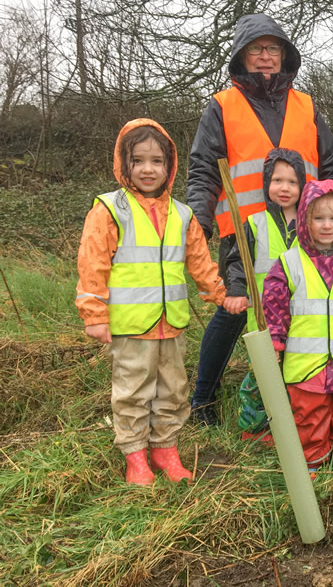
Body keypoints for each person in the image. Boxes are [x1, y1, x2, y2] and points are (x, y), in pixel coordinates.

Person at [187, 13, 333, 425]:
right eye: (255, 49)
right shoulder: (223, 106)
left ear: (284, 55)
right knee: (235, 310)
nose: (264, 57)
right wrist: (197, 223)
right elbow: (203, 167)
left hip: (304, 231)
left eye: (272, 48)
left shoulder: (306, 106)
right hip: (245, 233)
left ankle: (292, 397)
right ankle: (203, 400)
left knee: (299, 310)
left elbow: (332, 167)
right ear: (242, 56)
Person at [75, 119, 230, 484]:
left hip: (171, 323)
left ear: (170, 166)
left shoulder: (182, 214)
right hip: (130, 326)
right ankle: (135, 456)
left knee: (174, 389)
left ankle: (165, 450)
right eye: (139, 160)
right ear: (123, 164)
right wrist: (94, 314)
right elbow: (92, 264)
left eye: (157, 161)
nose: (148, 169)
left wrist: (221, 294)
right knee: (133, 390)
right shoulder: (110, 210)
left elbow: (200, 263)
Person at [261, 180, 333, 476]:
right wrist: (275, 343)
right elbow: (274, 306)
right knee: (309, 414)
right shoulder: (288, 263)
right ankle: (313, 460)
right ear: (304, 220)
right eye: (318, 218)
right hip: (306, 364)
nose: (327, 225)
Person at [223, 148, 305, 443]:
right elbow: (237, 262)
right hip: (263, 316)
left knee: (296, 372)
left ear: (303, 185)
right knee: (261, 374)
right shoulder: (255, 223)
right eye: (277, 180)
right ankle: (255, 428)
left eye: (292, 182)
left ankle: (292, 426)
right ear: (267, 184)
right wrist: (235, 291)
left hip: (303, 316)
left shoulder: (311, 225)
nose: (284, 188)